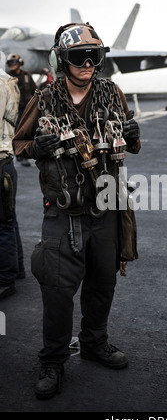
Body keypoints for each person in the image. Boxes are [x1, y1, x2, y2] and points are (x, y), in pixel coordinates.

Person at [13, 22, 141, 400]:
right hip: (63, 214)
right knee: (56, 290)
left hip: (105, 209)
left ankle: (94, 343)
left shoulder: (112, 92)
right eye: (78, 58)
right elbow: (19, 143)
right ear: (60, 60)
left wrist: (133, 136)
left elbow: (131, 145)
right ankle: (52, 359)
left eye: (93, 56)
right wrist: (38, 146)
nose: (87, 64)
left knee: (104, 283)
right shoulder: (45, 97)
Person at [0, 51, 25, 300]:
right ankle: (16, 269)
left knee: (3, 224)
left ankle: (5, 278)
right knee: (9, 219)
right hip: (6, 159)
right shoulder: (7, 81)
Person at [7, 53, 37, 167]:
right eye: (10, 63)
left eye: (14, 62)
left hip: (28, 108)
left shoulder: (26, 75)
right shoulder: (7, 77)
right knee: (18, 131)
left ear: (19, 63)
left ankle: (27, 152)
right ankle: (19, 155)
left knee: (30, 130)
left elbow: (35, 90)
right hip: (15, 109)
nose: (12, 65)